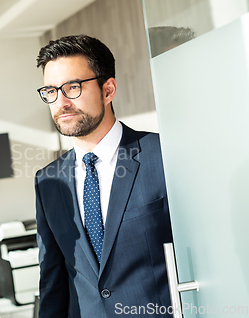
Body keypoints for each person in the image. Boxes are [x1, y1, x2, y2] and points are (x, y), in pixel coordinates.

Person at [34, 35, 173, 317]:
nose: (61, 102)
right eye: (50, 91)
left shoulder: (164, 155)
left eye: (72, 87)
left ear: (108, 90)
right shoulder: (48, 181)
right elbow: (53, 281)